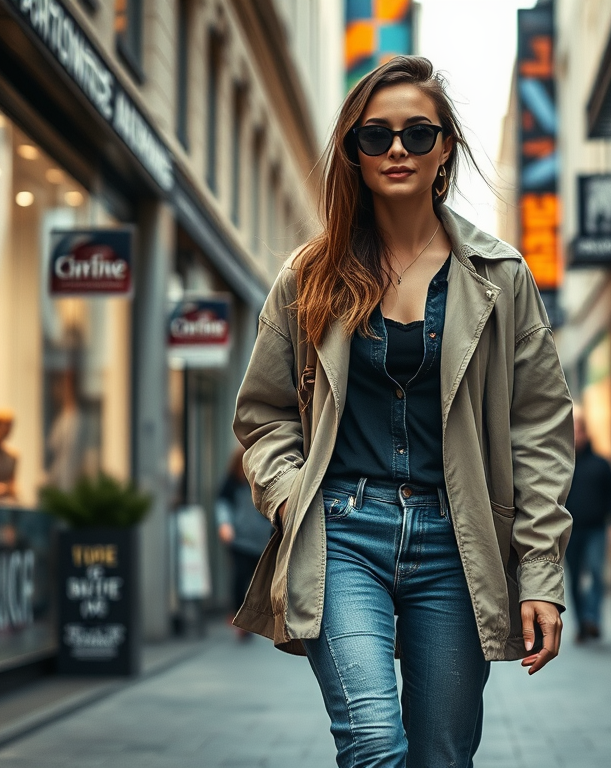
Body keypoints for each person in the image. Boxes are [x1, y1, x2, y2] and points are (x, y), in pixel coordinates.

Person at [232, 56, 574, 768]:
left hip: (458, 542)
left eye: (418, 134)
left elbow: (539, 429)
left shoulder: (500, 277)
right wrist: (294, 499)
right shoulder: (309, 276)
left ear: (445, 146)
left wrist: (540, 575)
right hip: (342, 536)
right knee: (374, 743)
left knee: (443, 754)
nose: (397, 150)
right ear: (353, 152)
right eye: (376, 135)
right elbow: (264, 415)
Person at [565, 405, 611, 642]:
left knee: (597, 572)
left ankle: (592, 619)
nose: (576, 435)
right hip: (569, 531)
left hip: (597, 529)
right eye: (572, 431)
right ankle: (581, 625)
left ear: (586, 433)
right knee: (575, 578)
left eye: (579, 430)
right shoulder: (562, 465)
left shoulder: (602, 463)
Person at [215, 446, 273, 639]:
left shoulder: (264, 482)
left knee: (258, 581)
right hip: (239, 540)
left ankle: (253, 618)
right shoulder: (231, 484)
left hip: (262, 541)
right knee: (240, 578)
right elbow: (222, 505)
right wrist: (224, 524)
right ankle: (241, 618)